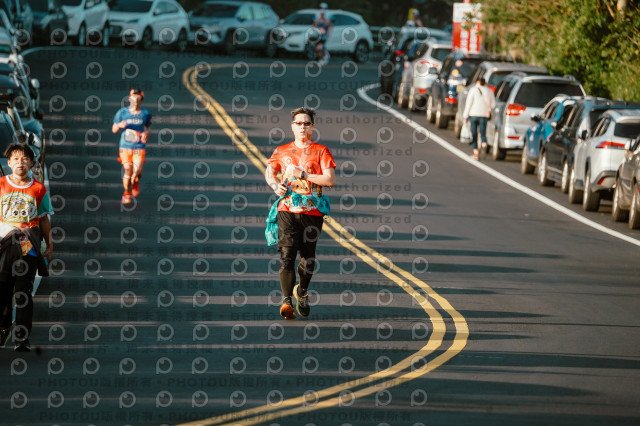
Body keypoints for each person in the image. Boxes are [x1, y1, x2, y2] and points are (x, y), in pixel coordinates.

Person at [264, 107, 336, 319]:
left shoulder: (321, 151)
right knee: (287, 255)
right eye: (298, 123)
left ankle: (302, 292)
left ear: (312, 127)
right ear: (292, 126)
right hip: (287, 209)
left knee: (307, 258)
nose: (302, 127)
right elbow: (270, 171)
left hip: (312, 211)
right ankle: (286, 301)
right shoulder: (282, 150)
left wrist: (303, 175)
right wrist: (275, 186)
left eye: (306, 123)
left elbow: (330, 180)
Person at [0, 144, 53, 352]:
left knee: (23, 292)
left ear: (31, 163)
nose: (20, 162)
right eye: (15, 158)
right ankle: (3, 327)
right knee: (3, 290)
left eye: (24, 159)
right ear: (9, 163)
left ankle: (22, 337)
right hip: (3, 245)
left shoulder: (38, 189)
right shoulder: (1, 184)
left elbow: (44, 219)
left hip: (27, 247)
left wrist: (49, 244)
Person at [112, 88, 152, 205]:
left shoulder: (145, 114)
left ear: (141, 100)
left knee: (137, 170)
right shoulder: (122, 112)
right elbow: (114, 129)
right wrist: (119, 125)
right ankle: (126, 193)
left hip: (139, 146)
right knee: (128, 170)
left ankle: (135, 182)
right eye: (133, 97)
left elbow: (148, 128)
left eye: (138, 97)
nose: (135, 99)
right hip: (125, 146)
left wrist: (146, 134)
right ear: (129, 99)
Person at [463, 77, 496, 160]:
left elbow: (468, 104)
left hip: (473, 114)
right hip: (484, 115)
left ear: (477, 82)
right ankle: (484, 144)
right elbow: (493, 105)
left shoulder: (473, 90)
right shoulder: (489, 91)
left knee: (474, 134)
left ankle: (476, 153)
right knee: (483, 133)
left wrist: (465, 116)